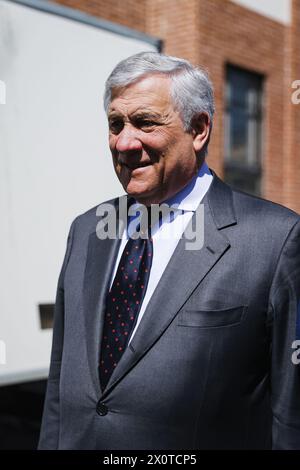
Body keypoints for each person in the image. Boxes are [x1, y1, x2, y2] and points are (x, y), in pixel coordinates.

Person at [38, 52, 300, 450]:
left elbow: (290, 414)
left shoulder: (275, 239)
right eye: (115, 124)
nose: (124, 143)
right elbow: (60, 386)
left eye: (144, 122)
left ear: (198, 129)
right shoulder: (87, 230)